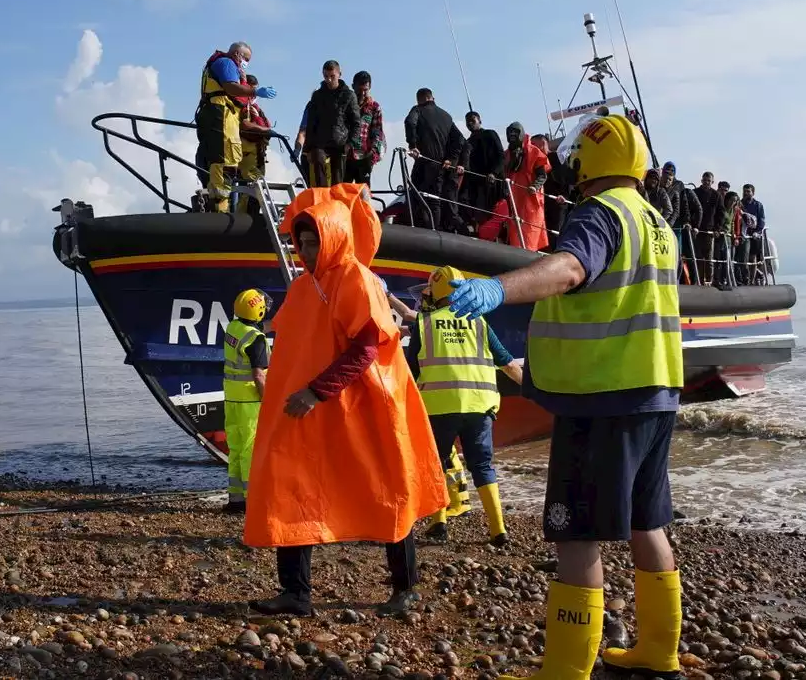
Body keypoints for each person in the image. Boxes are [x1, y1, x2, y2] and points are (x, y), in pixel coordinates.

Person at [446, 114, 684, 680]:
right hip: (656, 394)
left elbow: (572, 268)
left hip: (601, 398)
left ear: (586, 164)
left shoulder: (601, 215)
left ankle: (566, 671)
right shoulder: (659, 225)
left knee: (576, 535)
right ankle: (659, 652)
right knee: (646, 524)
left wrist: (497, 287)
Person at [243, 185, 447, 617]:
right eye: (302, 241)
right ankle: (296, 593)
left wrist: (316, 390)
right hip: (307, 412)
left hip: (362, 407)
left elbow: (367, 346)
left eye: (316, 239)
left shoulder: (356, 277)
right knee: (291, 483)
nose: (308, 249)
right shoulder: (302, 288)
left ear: (336, 235)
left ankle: (405, 587)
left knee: (388, 487)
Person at [407, 266, 523, 546]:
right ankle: (498, 530)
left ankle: (439, 524)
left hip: (439, 408)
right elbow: (508, 363)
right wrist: (536, 392)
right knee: (482, 465)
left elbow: (410, 373)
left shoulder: (424, 323)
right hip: (479, 407)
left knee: (438, 462)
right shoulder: (480, 322)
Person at [195, 42, 276, 212]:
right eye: (246, 59)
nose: (245, 63)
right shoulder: (226, 63)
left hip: (223, 120)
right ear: (238, 54)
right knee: (224, 166)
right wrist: (255, 91)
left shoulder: (223, 65)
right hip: (220, 118)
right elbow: (231, 87)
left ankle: (229, 212)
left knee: (229, 167)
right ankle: (219, 213)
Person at [222, 288, 272, 513]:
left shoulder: (234, 328)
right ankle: (254, 500)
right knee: (251, 450)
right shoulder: (256, 340)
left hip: (231, 398)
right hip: (251, 401)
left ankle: (236, 500)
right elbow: (259, 374)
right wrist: (268, 400)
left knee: (235, 448)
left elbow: (259, 327)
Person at [404, 88, 466, 230]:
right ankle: (435, 231)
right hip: (440, 164)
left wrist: (412, 145)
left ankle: (412, 228)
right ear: (432, 98)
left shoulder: (418, 110)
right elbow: (460, 139)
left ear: (421, 99)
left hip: (424, 161)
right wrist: (451, 158)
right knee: (434, 200)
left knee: (415, 195)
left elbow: (410, 122)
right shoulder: (446, 116)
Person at [303, 60, 360, 188]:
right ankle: (323, 197)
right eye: (326, 76)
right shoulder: (317, 96)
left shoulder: (349, 95)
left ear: (339, 74)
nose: (329, 80)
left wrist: (350, 144)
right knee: (318, 161)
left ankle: (336, 203)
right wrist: (308, 149)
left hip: (340, 144)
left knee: (337, 181)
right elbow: (311, 123)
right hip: (321, 143)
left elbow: (356, 122)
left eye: (332, 76)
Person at [457, 111, 505, 228]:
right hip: (476, 184)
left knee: (492, 213)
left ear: (480, 121)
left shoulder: (490, 135)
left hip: (492, 183)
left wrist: (494, 173)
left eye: (472, 121)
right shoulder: (468, 142)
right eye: (467, 122)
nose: (470, 123)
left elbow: (500, 155)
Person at [345, 71, 386, 186]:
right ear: (353, 87)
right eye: (359, 90)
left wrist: (373, 153)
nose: (362, 94)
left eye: (365, 90)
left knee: (364, 193)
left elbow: (377, 131)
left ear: (370, 88)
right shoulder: (345, 105)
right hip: (346, 155)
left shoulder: (374, 107)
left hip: (365, 156)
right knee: (343, 192)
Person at [238, 75, 273, 189]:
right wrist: (265, 129)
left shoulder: (255, 108)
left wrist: (258, 118)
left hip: (257, 155)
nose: (254, 94)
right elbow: (244, 124)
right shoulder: (240, 105)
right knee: (243, 188)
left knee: (254, 189)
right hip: (244, 156)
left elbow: (267, 125)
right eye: (252, 89)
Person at [694, 172, 722, 285]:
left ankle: (708, 281)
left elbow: (721, 213)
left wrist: (717, 229)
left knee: (709, 258)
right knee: (698, 258)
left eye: (708, 181)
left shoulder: (716, 195)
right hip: (697, 230)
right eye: (704, 180)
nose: (706, 182)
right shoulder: (695, 193)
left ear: (712, 182)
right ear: (701, 180)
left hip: (710, 231)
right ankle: (699, 281)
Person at [740, 183, 766, 285]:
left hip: (754, 235)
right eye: (744, 191)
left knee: (753, 257)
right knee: (743, 257)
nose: (746, 193)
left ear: (753, 193)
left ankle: (752, 279)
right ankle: (745, 278)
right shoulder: (740, 204)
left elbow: (762, 220)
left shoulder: (758, 205)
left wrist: (758, 231)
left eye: (748, 191)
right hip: (743, 234)